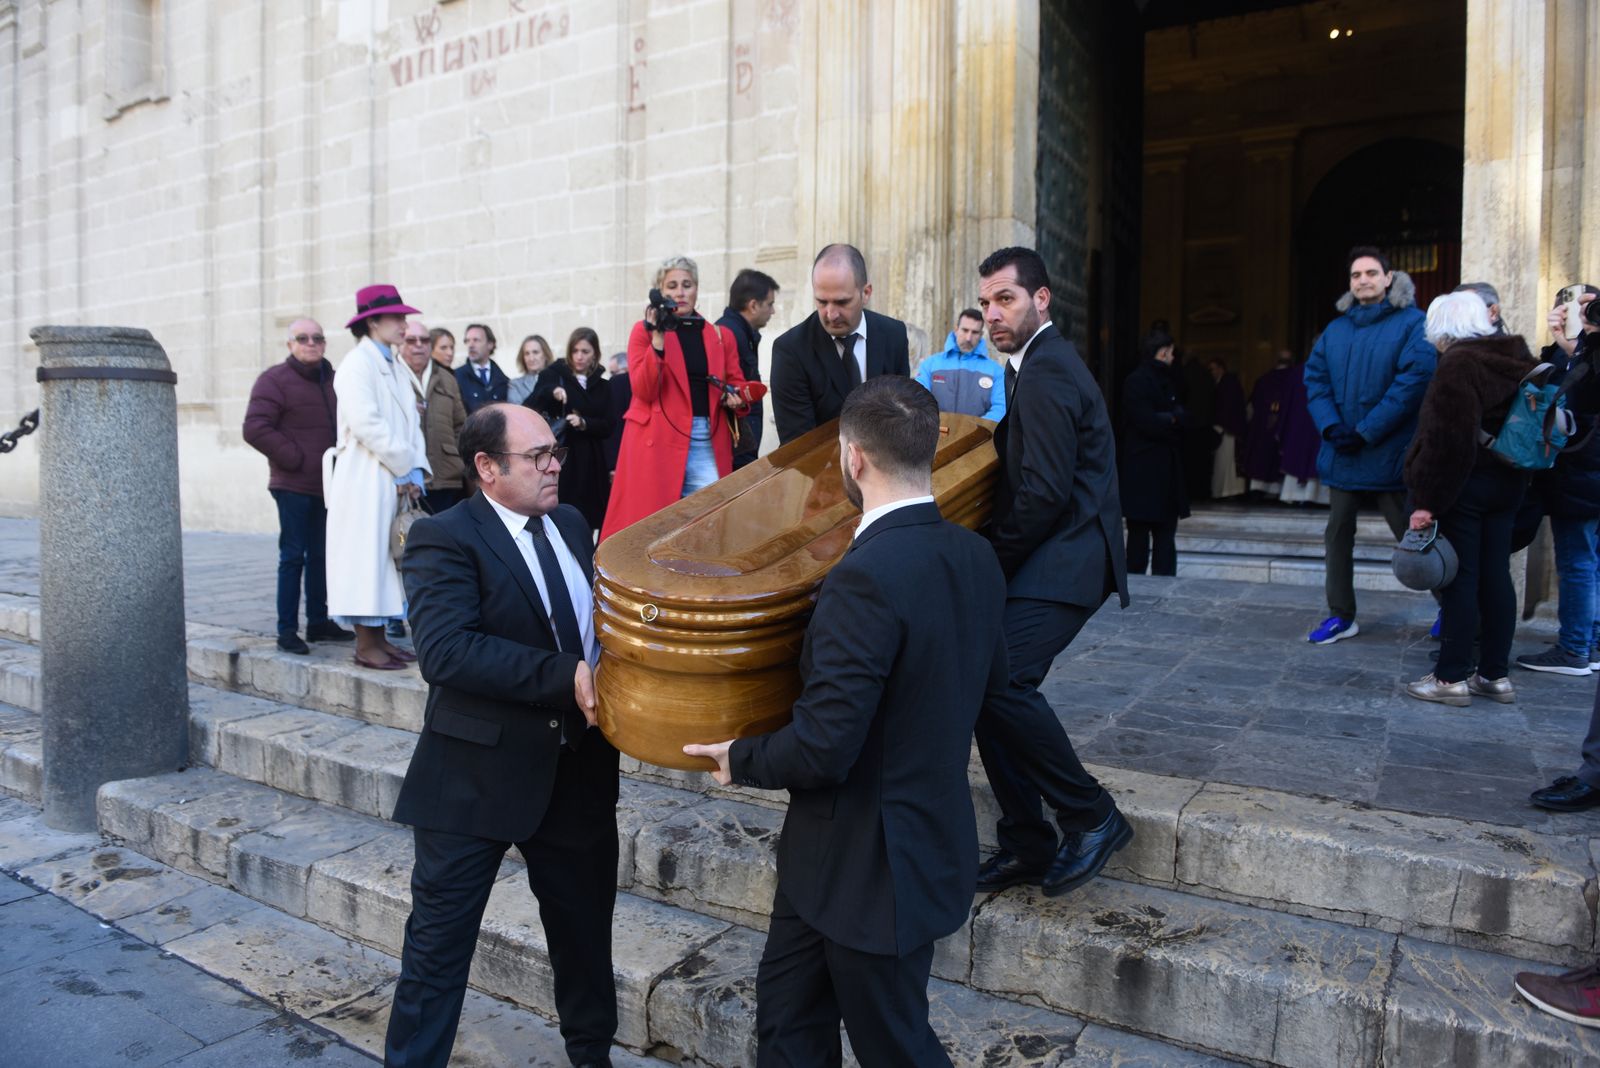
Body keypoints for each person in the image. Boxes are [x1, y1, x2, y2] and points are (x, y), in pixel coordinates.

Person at [683, 376, 1007, 1067]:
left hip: (874, 872)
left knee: (897, 1048)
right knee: (789, 1029)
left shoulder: (864, 577)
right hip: (849, 860)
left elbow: (826, 746)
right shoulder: (976, 555)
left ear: (852, 458)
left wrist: (741, 758)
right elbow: (992, 691)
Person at [384, 404, 618, 1068]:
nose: (554, 468)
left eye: (555, 453)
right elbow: (448, 653)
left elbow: (592, 629)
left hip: (576, 773)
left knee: (584, 940)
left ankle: (591, 1056)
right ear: (486, 468)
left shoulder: (571, 524)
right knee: (436, 950)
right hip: (472, 777)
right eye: (537, 457)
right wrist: (565, 674)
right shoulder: (442, 538)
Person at [969, 247, 1133, 899]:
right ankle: (1026, 842)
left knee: (1002, 679)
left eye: (1005, 299)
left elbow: (1041, 493)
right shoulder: (1026, 370)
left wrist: (986, 561)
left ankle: (1091, 815)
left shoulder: (1046, 371)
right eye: (984, 303)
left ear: (1042, 299)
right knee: (988, 680)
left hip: (1070, 557)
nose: (992, 314)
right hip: (1057, 552)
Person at [1399, 292, 1536, 706]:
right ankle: (1494, 675)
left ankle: (1449, 678)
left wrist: (1426, 502)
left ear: (1442, 327)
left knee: (1462, 579)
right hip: (1509, 482)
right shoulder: (1516, 355)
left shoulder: (1459, 363)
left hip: (1467, 485)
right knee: (1497, 576)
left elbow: (1449, 441)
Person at [1302, 246, 1436, 643]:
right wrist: (1330, 427)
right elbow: (1316, 380)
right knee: (1337, 534)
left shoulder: (1413, 324)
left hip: (1389, 454)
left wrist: (1366, 431)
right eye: (1356, 275)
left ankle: (1452, 607)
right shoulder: (1336, 329)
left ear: (1388, 278)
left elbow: (1412, 383)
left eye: (1371, 273)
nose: (1363, 280)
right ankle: (1341, 615)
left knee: (1413, 537)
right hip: (1343, 452)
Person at [600, 255, 751, 541]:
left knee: (708, 523)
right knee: (654, 530)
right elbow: (643, 390)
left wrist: (736, 397)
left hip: (706, 435)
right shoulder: (643, 332)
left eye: (687, 284)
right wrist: (657, 340)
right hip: (656, 439)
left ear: (697, 289)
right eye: (672, 286)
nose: (680, 292)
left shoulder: (721, 335)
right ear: (660, 292)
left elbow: (737, 382)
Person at [324, 285, 430, 671]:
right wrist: (403, 464)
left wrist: (415, 468)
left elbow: (410, 423)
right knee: (366, 557)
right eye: (396, 318)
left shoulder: (394, 364)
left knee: (388, 558)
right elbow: (367, 424)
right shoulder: (356, 364)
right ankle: (366, 645)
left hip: (391, 475)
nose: (403, 324)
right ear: (373, 322)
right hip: (365, 477)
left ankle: (381, 640)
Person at [242, 318, 353, 655]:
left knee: (321, 556)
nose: (311, 343)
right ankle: (287, 630)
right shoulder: (274, 380)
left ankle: (318, 622)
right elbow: (255, 428)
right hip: (292, 483)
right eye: (302, 338)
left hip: (329, 485)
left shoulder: (333, 380)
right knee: (293, 557)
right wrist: (295, 458)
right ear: (290, 344)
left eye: (317, 337)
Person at [1518, 285, 1600, 676]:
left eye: (1586, 307)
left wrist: (1577, 345)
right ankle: (1591, 644)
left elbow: (1585, 391)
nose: (1576, 314)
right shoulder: (1562, 351)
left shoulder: (1589, 352)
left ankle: (1574, 650)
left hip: (1583, 470)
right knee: (1589, 559)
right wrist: (1558, 345)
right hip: (1576, 470)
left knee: (1579, 560)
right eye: (1566, 305)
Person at [770, 244, 910, 445]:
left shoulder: (893, 334)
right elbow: (798, 445)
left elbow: (901, 415)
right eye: (821, 301)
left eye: (842, 302)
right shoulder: (791, 350)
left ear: (866, 293)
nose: (831, 314)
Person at [526, 328, 612, 536]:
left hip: (592, 460)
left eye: (585, 351)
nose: (579, 357)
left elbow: (609, 424)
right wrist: (551, 391)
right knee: (561, 515)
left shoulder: (602, 385)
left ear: (595, 354)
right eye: (575, 351)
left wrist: (584, 422)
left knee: (591, 519)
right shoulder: (554, 374)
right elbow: (531, 404)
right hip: (562, 455)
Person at [1118, 330, 1188, 576]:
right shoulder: (1137, 381)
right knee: (1138, 538)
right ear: (1163, 352)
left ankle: (1164, 581)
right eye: (1170, 352)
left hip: (1165, 472)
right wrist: (1171, 419)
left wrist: (1170, 419)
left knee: (1166, 535)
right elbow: (1145, 421)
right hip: (1143, 471)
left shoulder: (1170, 379)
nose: (1172, 357)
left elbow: (1182, 416)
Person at [399, 320, 469, 515]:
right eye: (411, 340)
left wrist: (459, 460)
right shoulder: (392, 376)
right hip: (405, 475)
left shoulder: (447, 378)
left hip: (446, 475)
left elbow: (460, 426)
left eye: (424, 340)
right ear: (400, 344)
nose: (419, 345)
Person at [716, 268, 780, 469]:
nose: (773, 311)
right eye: (769, 304)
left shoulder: (742, 333)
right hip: (736, 449)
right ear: (753, 305)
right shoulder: (728, 334)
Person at [914, 308, 1006, 420]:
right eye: (965, 330)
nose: (968, 338)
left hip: (979, 436)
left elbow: (1000, 408)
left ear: (981, 334)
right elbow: (918, 401)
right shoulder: (930, 365)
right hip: (936, 434)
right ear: (956, 330)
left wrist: (975, 432)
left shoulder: (996, 371)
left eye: (975, 332)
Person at [1243, 352, 1297, 496]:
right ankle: (1279, 491)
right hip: (1284, 428)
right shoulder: (1295, 379)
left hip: (1262, 429)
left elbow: (1251, 407)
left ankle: (1259, 488)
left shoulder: (1263, 380)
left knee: (1262, 455)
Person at [1209, 358, 1247, 499]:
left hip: (1227, 429)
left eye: (1213, 369)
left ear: (1221, 368)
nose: (1211, 372)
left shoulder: (1227, 384)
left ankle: (1228, 491)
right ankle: (1227, 491)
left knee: (1227, 462)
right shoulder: (1226, 383)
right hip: (1226, 428)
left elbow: (1229, 409)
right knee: (1226, 462)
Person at [455, 323, 509, 412]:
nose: (471, 345)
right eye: (467, 341)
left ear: (490, 344)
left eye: (476, 340)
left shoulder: (503, 380)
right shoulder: (457, 376)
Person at [509, 334, 555, 406]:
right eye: (527, 354)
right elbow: (516, 413)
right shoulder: (516, 385)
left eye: (535, 352)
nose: (531, 358)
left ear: (546, 355)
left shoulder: (558, 380)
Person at [604, 353, 630, 481]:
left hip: (619, 460)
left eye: (614, 373)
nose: (611, 377)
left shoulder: (618, 383)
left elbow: (615, 428)